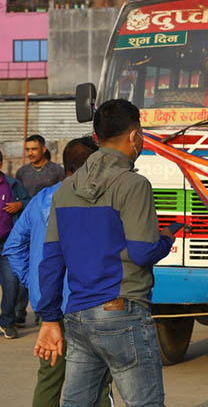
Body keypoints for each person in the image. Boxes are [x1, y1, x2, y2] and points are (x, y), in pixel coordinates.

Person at [34, 99, 176, 406]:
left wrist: (49, 319)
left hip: (78, 315)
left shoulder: (65, 190)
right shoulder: (133, 184)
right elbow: (142, 252)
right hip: (122, 310)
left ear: (97, 136)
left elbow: (52, 260)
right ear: (135, 135)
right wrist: (167, 237)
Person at [3, 137, 114, 407]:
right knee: (99, 380)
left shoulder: (41, 199)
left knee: (50, 378)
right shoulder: (104, 198)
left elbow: (14, 247)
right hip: (91, 303)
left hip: (50, 303)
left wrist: (35, 281)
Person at [0, 151, 32, 338]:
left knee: (11, 284)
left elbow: (29, 203)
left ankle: (7, 322)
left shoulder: (13, 185)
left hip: (8, 245)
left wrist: (20, 205)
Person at [17, 135, 66, 199]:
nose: (30, 153)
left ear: (43, 149)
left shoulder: (57, 170)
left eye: (34, 149)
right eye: (27, 150)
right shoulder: (22, 172)